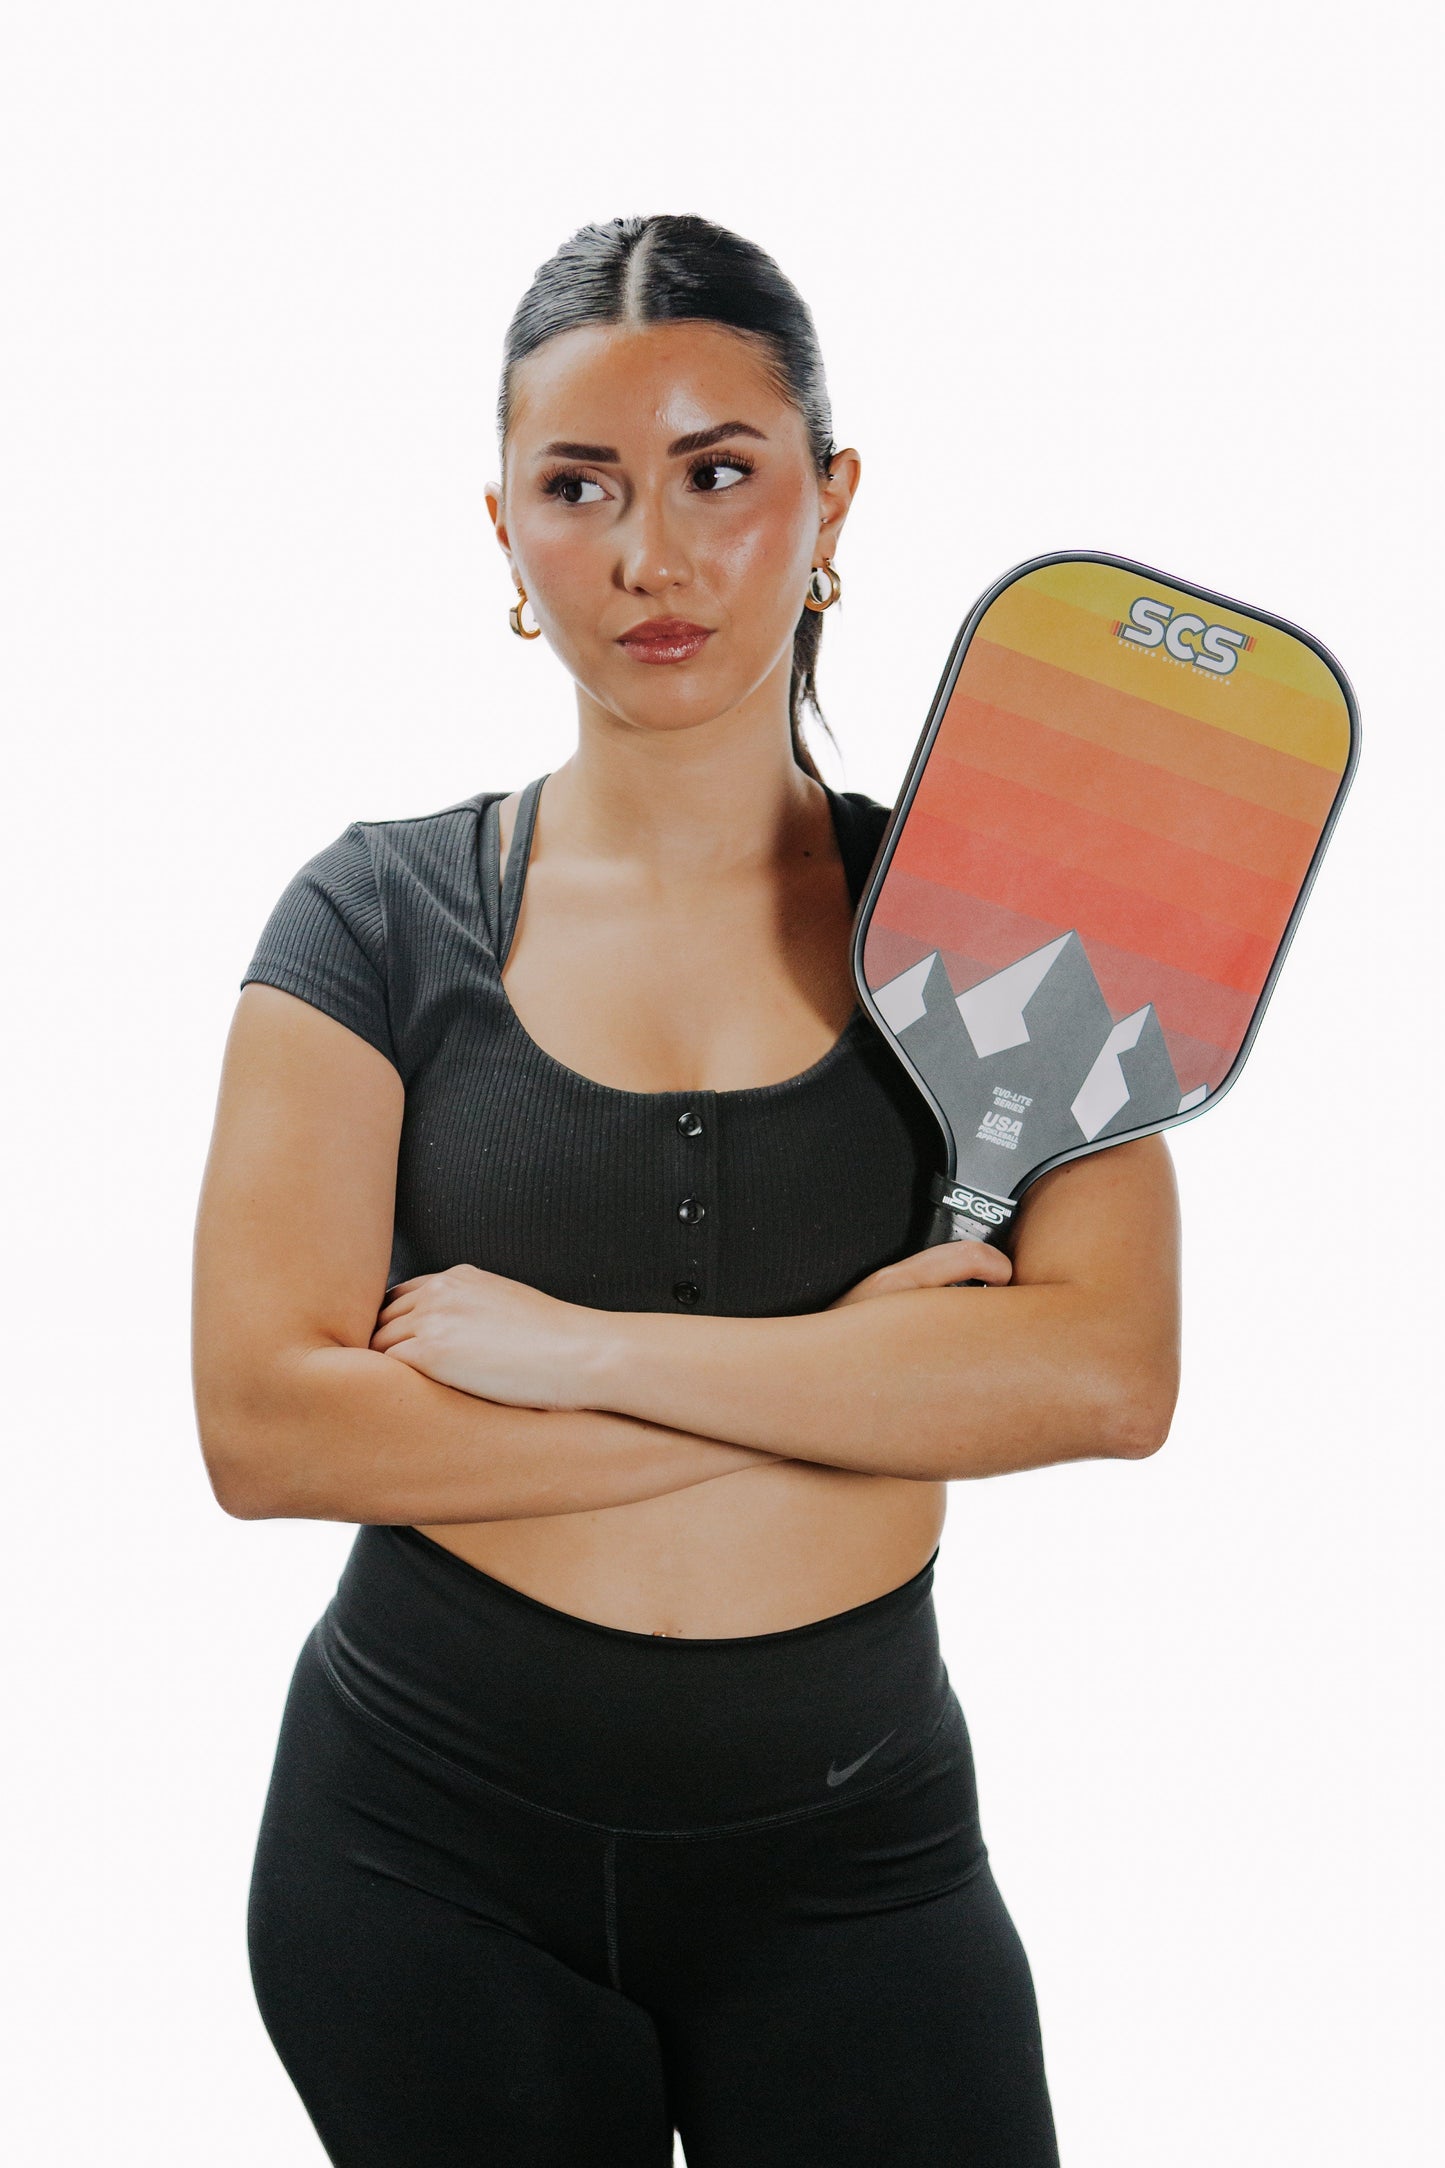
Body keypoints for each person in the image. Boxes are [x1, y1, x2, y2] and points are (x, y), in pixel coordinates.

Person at [192, 213, 1180, 2168]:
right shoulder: (372, 920)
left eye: (722, 471)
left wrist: (569, 1356)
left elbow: (1106, 1381)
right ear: (505, 530)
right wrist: (856, 1398)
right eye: (583, 487)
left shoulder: (1011, 933)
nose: (654, 556)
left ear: (832, 498)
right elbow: (265, 1425)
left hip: (860, 1867)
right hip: (417, 1861)